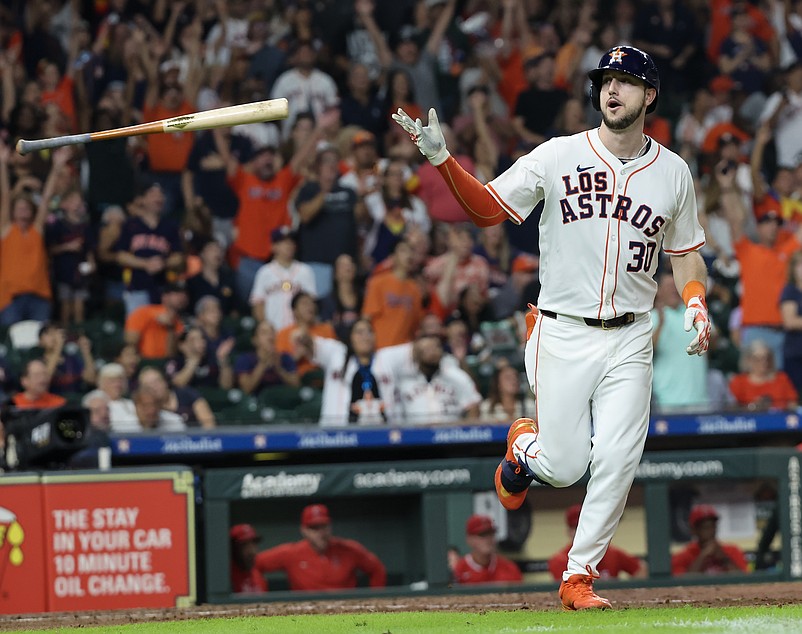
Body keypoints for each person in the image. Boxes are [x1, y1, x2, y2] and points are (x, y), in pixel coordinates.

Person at [393, 45, 711, 610]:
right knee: (564, 467)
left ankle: (578, 576)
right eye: (606, 81)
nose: (612, 90)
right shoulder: (559, 156)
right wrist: (444, 161)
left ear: (650, 95)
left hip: (634, 332)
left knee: (618, 455)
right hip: (563, 329)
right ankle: (524, 448)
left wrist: (693, 301)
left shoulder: (674, 173)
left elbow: (685, 253)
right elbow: (489, 210)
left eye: (626, 82)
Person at [254, 504, 387, 591]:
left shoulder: (349, 549)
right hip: (307, 616)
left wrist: (375, 599)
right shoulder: (291, 553)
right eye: (314, 528)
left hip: (344, 612)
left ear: (330, 526)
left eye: (323, 526)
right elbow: (254, 564)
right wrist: (260, 594)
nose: (320, 533)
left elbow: (377, 569)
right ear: (303, 530)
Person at [548, 504, 645, 582]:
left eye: (587, 527)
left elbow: (641, 571)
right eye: (577, 528)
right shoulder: (559, 560)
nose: (584, 532)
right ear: (569, 532)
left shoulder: (612, 553)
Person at [249, 226, 316, 331]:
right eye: (283, 242)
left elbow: (311, 303)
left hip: (299, 332)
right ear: (273, 246)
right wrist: (267, 330)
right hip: (274, 332)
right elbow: (258, 305)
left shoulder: (305, 271)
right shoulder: (264, 272)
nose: (288, 246)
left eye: (291, 242)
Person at [672, 504, 749, 576]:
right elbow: (681, 585)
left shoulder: (732, 551)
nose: (710, 531)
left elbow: (745, 581)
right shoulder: (683, 556)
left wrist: (725, 559)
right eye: (705, 527)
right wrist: (703, 556)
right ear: (694, 530)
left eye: (713, 526)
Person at [452, 514, 522, 585]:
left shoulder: (509, 568)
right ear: (469, 540)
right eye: (482, 535)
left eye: (491, 534)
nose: (488, 539)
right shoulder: (460, 569)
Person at [729, 340, 799, 410]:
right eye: (758, 359)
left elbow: (793, 404)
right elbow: (731, 408)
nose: (764, 362)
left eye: (767, 358)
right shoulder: (739, 382)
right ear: (748, 360)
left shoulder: (781, 379)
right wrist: (753, 406)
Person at [230, 523, 267, 594]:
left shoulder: (258, 576)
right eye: (245, 546)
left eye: (253, 544)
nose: (252, 552)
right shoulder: (227, 579)